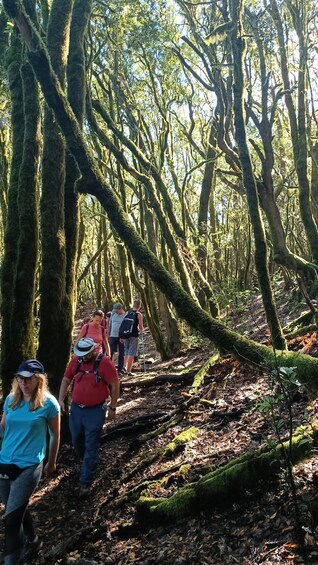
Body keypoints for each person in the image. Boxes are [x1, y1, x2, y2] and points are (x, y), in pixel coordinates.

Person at [0, 359, 60, 564]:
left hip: (30, 465)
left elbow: (55, 435)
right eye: (20, 378)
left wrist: (51, 462)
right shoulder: (10, 400)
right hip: (5, 463)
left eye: (28, 379)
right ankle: (33, 540)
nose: (23, 383)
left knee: (11, 520)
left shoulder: (49, 404)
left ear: (39, 380)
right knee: (14, 508)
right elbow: (4, 427)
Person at [58, 338, 119, 499]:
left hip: (96, 410)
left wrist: (112, 407)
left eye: (87, 354)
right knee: (77, 441)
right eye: (81, 354)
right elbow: (66, 379)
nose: (84, 357)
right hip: (77, 410)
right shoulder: (76, 362)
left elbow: (114, 384)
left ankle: (86, 481)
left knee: (91, 443)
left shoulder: (104, 363)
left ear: (94, 350)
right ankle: (88, 460)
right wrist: (60, 400)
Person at [123, 299, 144, 377]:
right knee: (131, 353)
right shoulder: (139, 314)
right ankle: (128, 371)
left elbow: (124, 324)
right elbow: (141, 327)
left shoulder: (127, 313)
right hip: (134, 335)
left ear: (133, 305)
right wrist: (141, 330)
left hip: (126, 334)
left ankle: (124, 368)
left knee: (126, 351)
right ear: (139, 306)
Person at [108, 303, 126, 375]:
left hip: (121, 336)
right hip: (113, 336)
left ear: (120, 309)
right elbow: (110, 324)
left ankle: (120, 369)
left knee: (121, 353)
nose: (115, 311)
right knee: (111, 352)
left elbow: (126, 326)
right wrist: (108, 335)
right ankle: (109, 368)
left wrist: (124, 336)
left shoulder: (125, 315)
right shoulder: (113, 314)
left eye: (117, 310)